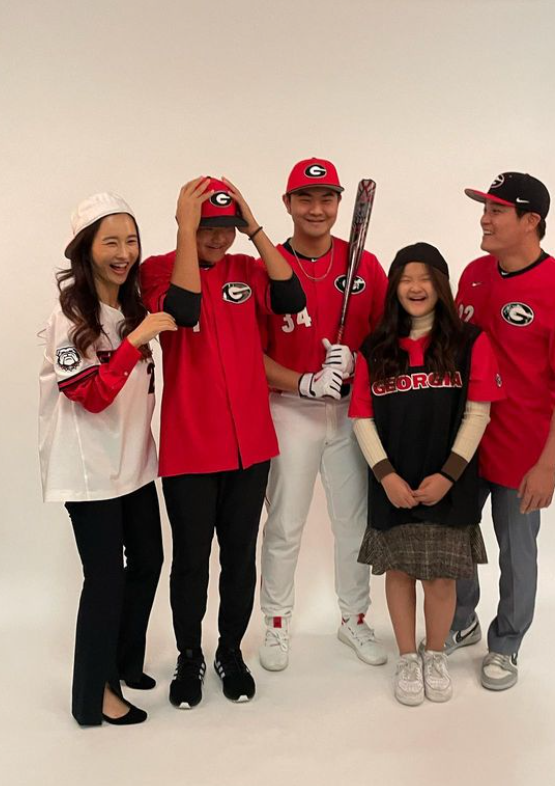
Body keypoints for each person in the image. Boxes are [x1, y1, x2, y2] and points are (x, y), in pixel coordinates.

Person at [140, 176, 305, 707]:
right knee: (191, 561)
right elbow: (184, 312)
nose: (217, 239)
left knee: (239, 559)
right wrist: (185, 232)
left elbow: (292, 297)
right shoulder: (158, 269)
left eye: (225, 228)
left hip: (249, 446)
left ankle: (229, 652)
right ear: (188, 225)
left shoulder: (246, 269)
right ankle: (189, 656)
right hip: (190, 447)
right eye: (207, 228)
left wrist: (253, 227)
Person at [448, 172, 555, 691]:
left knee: (517, 552)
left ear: (530, 220)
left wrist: (548, 465)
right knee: (457, 538)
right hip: (466, 444)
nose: (484, 219)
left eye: (496, 210)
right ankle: (461, 619)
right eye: (484, 208)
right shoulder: (473, 274)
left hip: (523, 451)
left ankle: (506, 643)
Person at [39, 192, 175, 726]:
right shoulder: (67, 318)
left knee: (148, 561)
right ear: (85, 249)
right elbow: (88, 395)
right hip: (89, 469)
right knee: (105, 579)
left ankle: (122, 664)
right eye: (110, 242)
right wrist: (134, 341)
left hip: (134, 463)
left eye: (131, 240)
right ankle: (93, 695)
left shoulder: (133, 306)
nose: (124, 253)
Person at [349, 242, 503, 704]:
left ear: (441, 286)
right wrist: (386, 476)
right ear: (394, 287)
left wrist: (449, 476)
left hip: (447, 483)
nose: (415, 288)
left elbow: (478, 414)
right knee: (399, 572)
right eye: (405, 279)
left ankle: (434, 654)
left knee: (440, 576)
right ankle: (406, 657)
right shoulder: (374, 348)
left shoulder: (470, 342)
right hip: (394, 483)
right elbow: (361, 418)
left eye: (425, 278)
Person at [258, 158, 388, 671]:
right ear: (287, 203)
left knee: (353, 523)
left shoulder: (365, 264)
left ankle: (354, 618)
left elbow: (389, 337)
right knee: (285, 523)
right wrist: (303, 380)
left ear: (339, 203)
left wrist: (356, 360)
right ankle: (275, 623)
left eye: (327, 198)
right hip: (290, 409)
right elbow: (250, 354)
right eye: (305, 198)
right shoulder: (267, 267)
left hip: (351, 412)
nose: (317, 209)